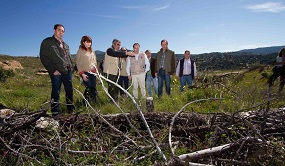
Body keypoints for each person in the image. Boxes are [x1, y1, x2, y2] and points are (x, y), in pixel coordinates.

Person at [40, 24, 74, 116]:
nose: (61, 32)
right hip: (56, 72)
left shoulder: (65, 45)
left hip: (67, 71)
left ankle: (70, 110)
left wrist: (72, 67)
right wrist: (52, 70)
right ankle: (55, 113)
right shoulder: (47, 42)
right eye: (59, 30)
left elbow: (69, 58)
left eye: (63, 31)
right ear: (54, 30)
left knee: (70, 91)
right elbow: (43, 57)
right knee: (56, 92)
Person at [76, 36, 98, 105]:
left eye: (90, 42)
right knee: (88, 87)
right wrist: (82, 74)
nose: (89, 43)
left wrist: (96, 70)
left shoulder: (92, 51)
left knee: (93, 87)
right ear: (83, 42)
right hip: (85, 72)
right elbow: (78, 63)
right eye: (87, 42)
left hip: (93, 72)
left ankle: (94, 102)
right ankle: (84, 103)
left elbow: (95, 61)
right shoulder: (80, 51)